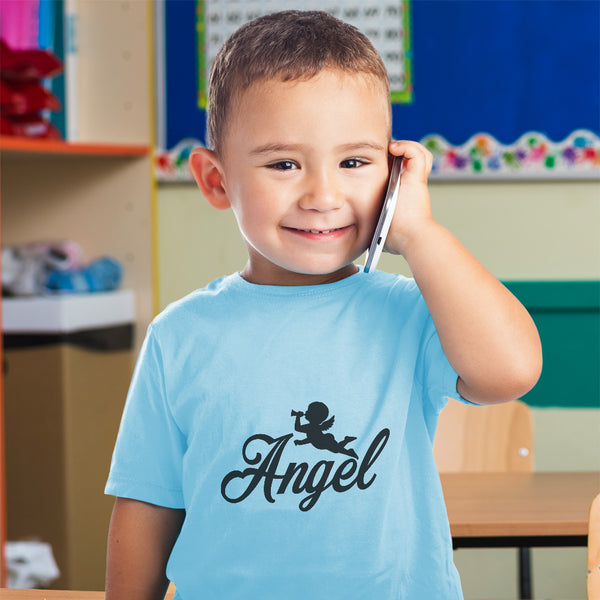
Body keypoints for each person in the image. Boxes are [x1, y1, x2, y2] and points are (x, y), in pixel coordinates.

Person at [105, 10, 542, 600]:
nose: (323, 196)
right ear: (216, 181)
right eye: (283, 164)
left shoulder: (413, 312)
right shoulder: (180, 334)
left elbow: (510, 372)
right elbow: (149, 503)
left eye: (355, 163)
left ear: (392, 174)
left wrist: (418, 234)